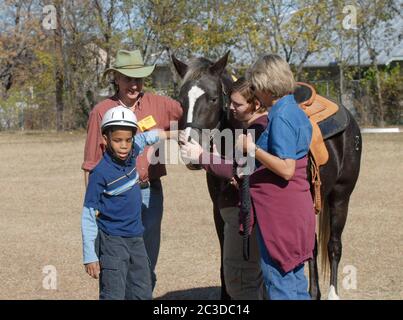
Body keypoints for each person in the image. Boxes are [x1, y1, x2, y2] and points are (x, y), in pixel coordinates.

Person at [82, 49, 183, 290]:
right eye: (128, 78)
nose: (134, 84)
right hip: (113, 196)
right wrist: (95, 209)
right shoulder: (101, 111)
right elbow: (90, 165)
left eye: (138, 78)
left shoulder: (160, 104)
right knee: (116, 263)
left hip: (149, 193)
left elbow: (192, 115)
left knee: (145, 262)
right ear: (116, 77)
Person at [235, 54, 315, 299]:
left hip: (280, 216)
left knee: (280, 284)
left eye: (257, 87)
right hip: (296, 210)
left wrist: (252, 149)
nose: (256, 94)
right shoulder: (295, 110)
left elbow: (286, 169)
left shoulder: (280, 116)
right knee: (296, 282)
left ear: (266, 85)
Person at [179, 77, 266, 300]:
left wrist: (202, 157)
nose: (230, 108)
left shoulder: (256, 132)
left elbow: (240, 171)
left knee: (241, 285)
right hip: (240, 218)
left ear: (255, 105)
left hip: (245, 219)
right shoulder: (251, 129)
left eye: (237, 104)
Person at [81, 106, 176, 300]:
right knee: (114, 293)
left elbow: (146, 137)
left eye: (128, 139)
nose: (124, 145)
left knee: (142, 290)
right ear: (105, 139)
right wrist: (90, 255)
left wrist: (173, 134)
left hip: (136, 239)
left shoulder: (133, 152)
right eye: (117, 140)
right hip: (112, 243)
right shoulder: (100, 174)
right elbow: (88, 214)